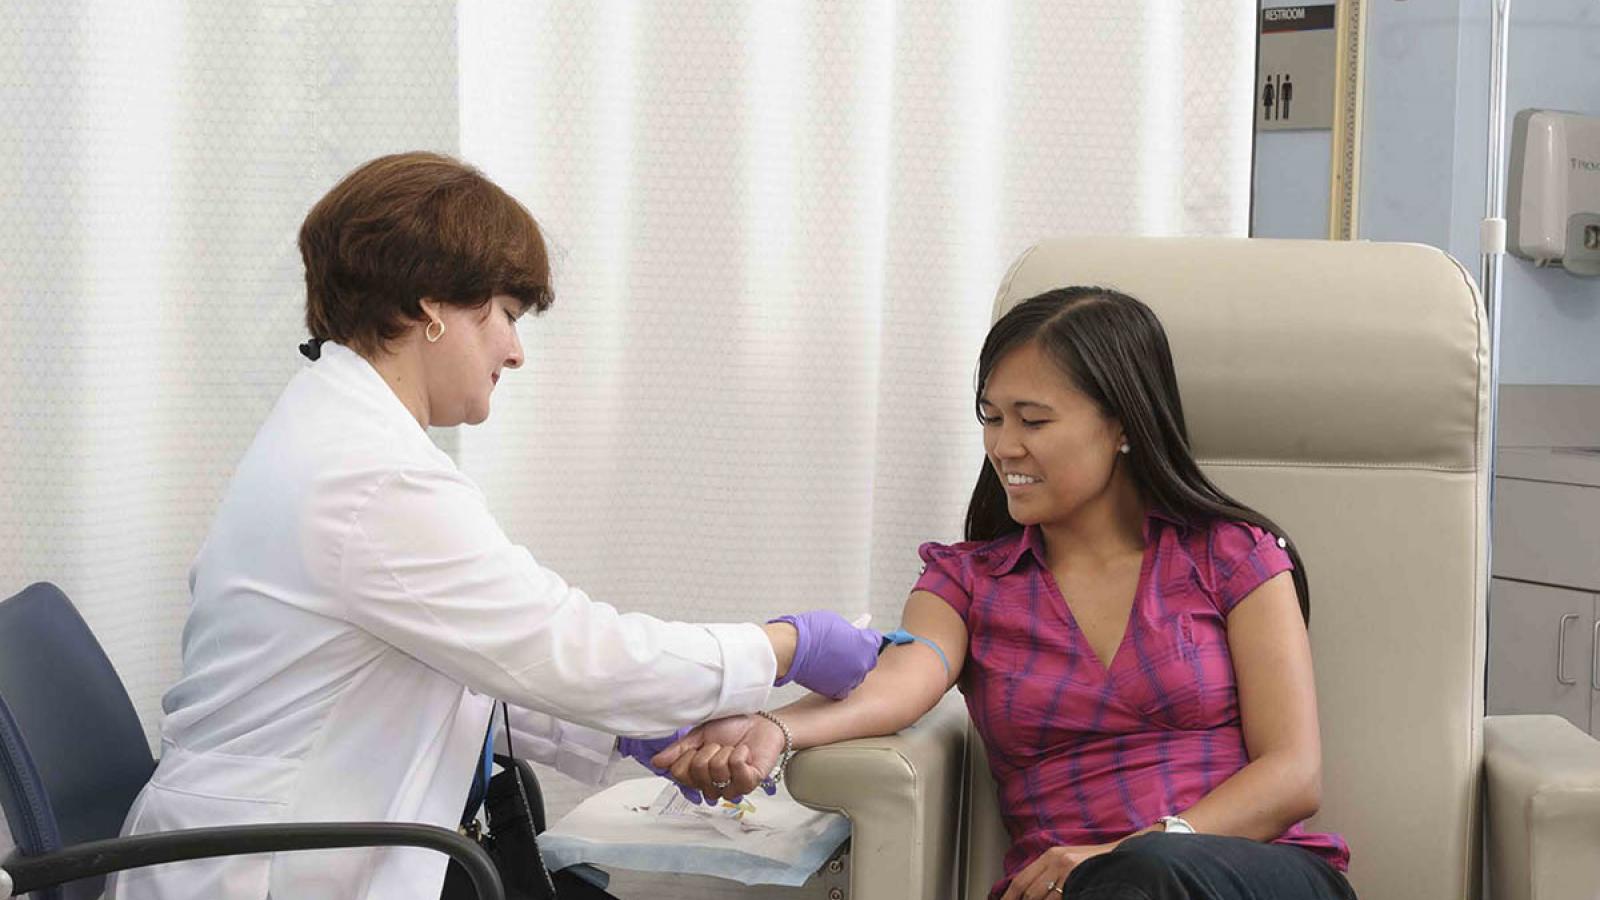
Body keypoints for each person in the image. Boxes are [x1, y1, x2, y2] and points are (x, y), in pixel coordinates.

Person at [109, 152, 883, 900]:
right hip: (265, 872)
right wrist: (786, 644)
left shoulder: (335, 436)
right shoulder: (372, 478)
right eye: (506, 315)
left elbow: (460, 659)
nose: (514, 352)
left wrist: (629, 733)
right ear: (427, 306)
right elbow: (569, 649)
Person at [654, 287, 1358, 900]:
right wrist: (774, 731)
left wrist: (1135, 848)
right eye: (992, 417)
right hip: (1066, 889)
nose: (1003, 446)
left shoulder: (1232, 554)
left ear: (1120, 423)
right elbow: (900, 679)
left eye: (1034, 419)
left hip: (1252, 876)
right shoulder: (969, 582)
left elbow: (1294, 774)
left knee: (1148, 874)